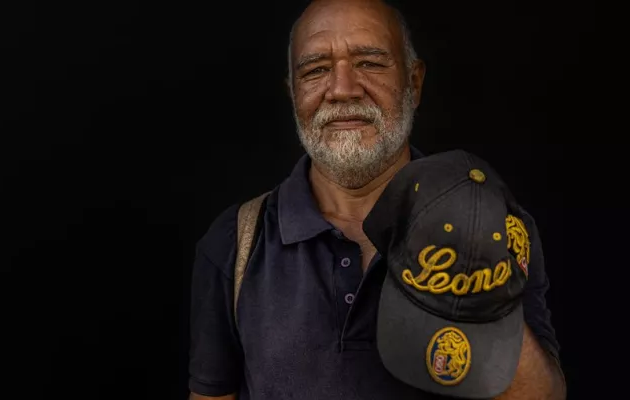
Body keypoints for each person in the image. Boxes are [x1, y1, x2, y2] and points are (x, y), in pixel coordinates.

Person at [188, 0, 565, 399]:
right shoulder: (236, 242)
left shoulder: (493, 226)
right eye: (315, 70)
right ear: (293, 92)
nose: (342, 89)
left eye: (369, 62)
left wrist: (485, 291)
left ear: (413, 83)